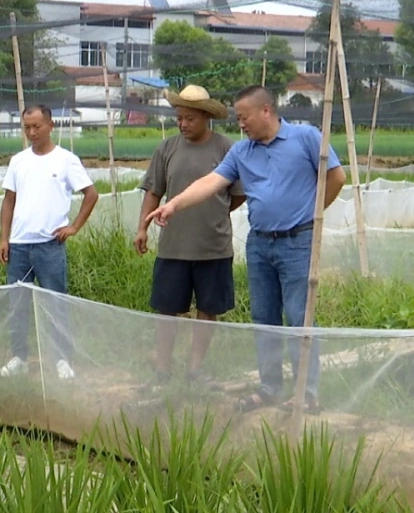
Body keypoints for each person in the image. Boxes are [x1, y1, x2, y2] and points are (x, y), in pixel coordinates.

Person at [144, 85, 347, 415]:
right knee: (263, 318)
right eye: (238, 119)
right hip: (260, 244)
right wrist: (174, 205)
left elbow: (336, 177)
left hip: (298, 242)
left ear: (265, 111)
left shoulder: (306, 137)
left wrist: (313, 214)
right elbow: (210, 183)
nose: (241, 124)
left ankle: (306, 393)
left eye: (244, 117)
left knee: (299, 317)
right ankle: (270, 387)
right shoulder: (242, 152)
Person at [133, 85, 245, 389]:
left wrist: (216, 211)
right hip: (173, 246)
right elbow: (154, 190)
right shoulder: (167, 149)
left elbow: (237, 195)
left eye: (189, 119)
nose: (183, 124)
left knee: (207, 309)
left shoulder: (227, 149)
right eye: (179, 118)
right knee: (167, 309)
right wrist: (142, 227)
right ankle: (163, 371)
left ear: (206, 117)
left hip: (213, 247)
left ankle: (195, 369)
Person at [0, 105, 99, 380]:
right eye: (27, 127)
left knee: (56, 304)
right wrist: (4, 238)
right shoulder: (18, 161)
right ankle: (19, 356)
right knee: (17, 304)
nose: (31, 132)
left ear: (51, 125)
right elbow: (9, 201)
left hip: (49, 246)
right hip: (19, 246)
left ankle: (62, 359)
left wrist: (74, 226)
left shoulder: (66, 160)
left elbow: (91, 194)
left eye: (37, 126)